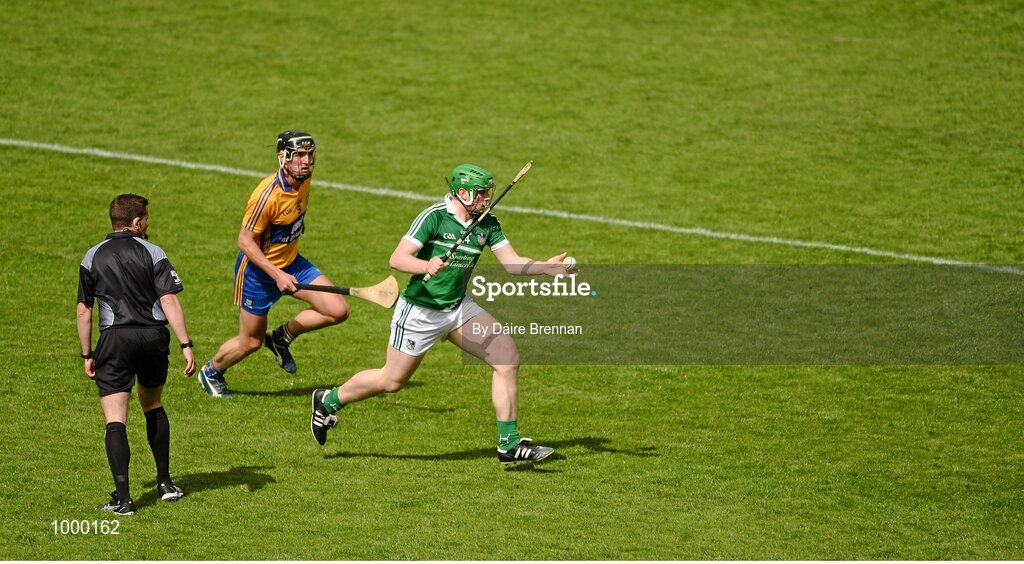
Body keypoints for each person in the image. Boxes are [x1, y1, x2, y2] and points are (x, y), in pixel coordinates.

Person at [309, 163, 573, 466]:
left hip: (458, 308)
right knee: (391, 381)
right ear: (462, 193)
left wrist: (545, 267)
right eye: (482, 194)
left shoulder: (487, 224)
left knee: (507, 359)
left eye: (489, 193)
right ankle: (327, 400)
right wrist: (426, 265)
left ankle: (508, 444)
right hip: (420, 313)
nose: (487, 199)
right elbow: (397, 259)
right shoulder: (433, 218)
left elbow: (512, 264)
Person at [197, 131, 350, 398]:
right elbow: (245, 241)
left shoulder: (304, 180)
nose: (305, 161)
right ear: (283, 158)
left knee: (338, 310)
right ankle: (211, 371)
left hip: (292, 263)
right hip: (258, 274)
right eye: (299, 155)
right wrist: (277, 274)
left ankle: (281, 337)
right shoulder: (266, 196)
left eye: (309, 155)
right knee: (251, 342)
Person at [77, 194, 197, 515]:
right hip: (153, 338)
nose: (148, 224)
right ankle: (165, 484)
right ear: (136, 222)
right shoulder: (153, 251)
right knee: (153, 404)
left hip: (115, 340)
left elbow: (84, 311)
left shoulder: (92, 257)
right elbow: (169, 301)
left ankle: (124, 498)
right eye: (147, 218)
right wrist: (185, 344)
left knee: (116, 418)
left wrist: (87, 353)